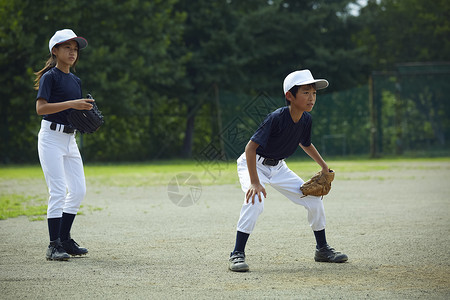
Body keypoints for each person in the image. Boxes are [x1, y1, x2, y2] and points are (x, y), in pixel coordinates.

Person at [228, 69, 348, 272]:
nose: (311, 98)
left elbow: (306, 143)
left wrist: (324, 166)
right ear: (289, 96)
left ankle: (322, 249)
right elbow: (250, 148)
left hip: (279, 167)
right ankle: (237, 254)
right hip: (253, 164)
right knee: (255, 200)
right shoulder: (276, 118)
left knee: (313, 199)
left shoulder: (305, 119)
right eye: (306, 92)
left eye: (314, 93)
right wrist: (255, 182)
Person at [34, 29, 92, 261]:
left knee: (78, 190)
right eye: (67, 47)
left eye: (75, 48)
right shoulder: (51, 77)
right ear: (55, 51)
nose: (72, 52)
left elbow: (72, 112)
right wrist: (73, 103)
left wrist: (84, 117)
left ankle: (65, 239)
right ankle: (53, 245)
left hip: (70, 139)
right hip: (51, 139)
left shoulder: (75, 80)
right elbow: (41, 109)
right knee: (58, 191)